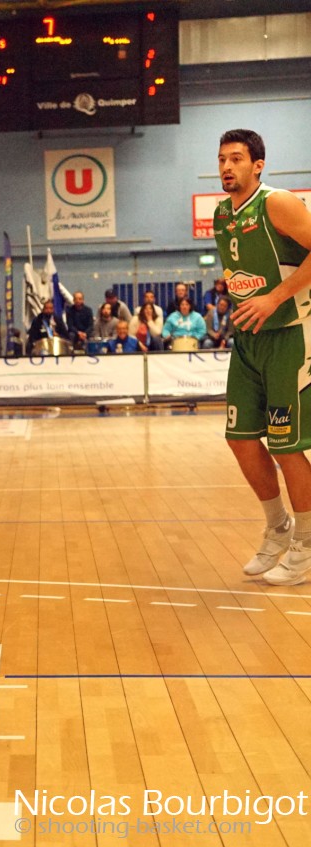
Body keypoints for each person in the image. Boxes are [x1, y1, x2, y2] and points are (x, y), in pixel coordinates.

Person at [213, 129, 311, 584]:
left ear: (257, 165)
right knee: (240, 439)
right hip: (249, 340)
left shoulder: (278, 203)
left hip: (290, 334)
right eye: (222, 159)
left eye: (236, 158)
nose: (226, 166)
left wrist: (274, 297)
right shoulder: (222, 213)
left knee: (286, 444)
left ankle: (307, 545)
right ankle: (278, 528)